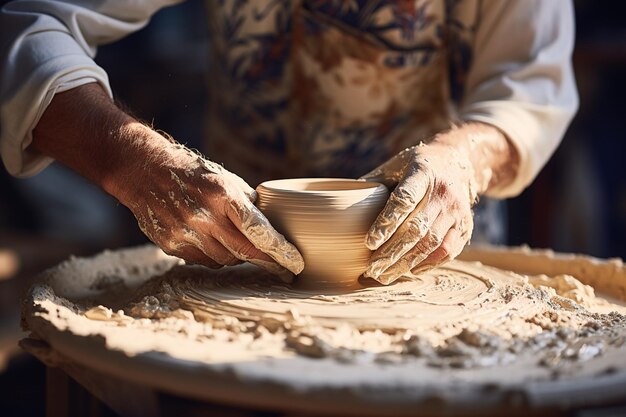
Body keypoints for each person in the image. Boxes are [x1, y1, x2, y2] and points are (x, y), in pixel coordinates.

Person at [0, 0, 578, 285]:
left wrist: (463, 160)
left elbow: (533, 83)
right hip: (228, 248)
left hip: (430, 244)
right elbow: (29, 24)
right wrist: (128, 156)